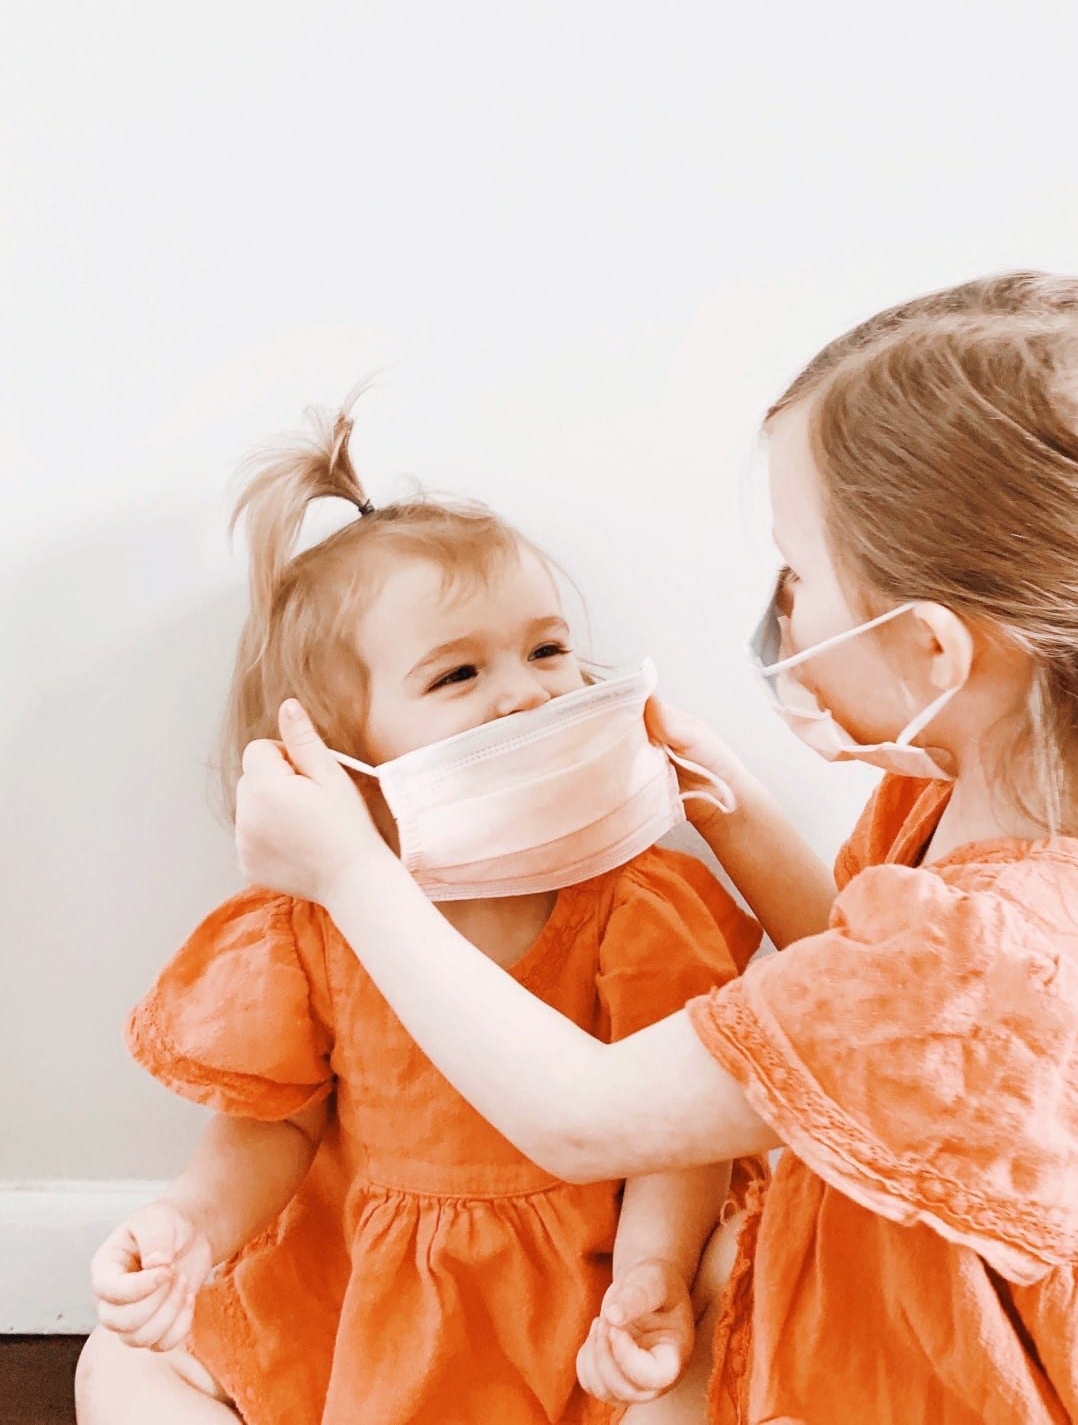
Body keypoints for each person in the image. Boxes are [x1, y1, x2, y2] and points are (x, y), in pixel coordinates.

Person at [235, 273, 1078, 1422]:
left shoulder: (985, 953)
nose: (781, 609)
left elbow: (581, 1112)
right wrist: (739, 817)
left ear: (931, 652)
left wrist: (348, 872)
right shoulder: (1052, 812)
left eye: (800, 574)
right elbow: (880, 1029)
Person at [77, 398, 765, 1425]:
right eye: (458, 673)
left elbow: (674, 1130)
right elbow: (271, 1131)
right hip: (363, 1291)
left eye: (547, 651)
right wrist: (192, 1225)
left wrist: (651, 1277)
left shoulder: (638, 899)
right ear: (342, 751)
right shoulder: (308, 925)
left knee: (699, 1381)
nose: (528, 694)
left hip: (579, 1294)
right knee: (120, 1369)